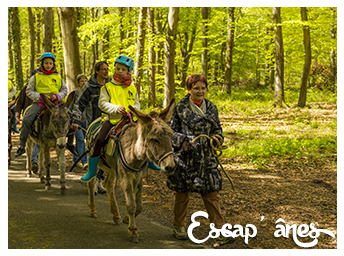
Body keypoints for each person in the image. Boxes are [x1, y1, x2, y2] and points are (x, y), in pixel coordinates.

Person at [167, 74, 235, 246]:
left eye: (203, 88)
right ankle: (179, 226)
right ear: (189, 89)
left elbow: (218, 128)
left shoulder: (212, 107)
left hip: (207, 159)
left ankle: (219, 231)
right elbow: (170, 131)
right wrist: (182, 141)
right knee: (182, 194)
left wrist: (217, 138)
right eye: (196, 88)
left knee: (212, 194)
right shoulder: (180, 108)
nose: (200, 91)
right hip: (186, 159)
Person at [79, 55, 161, 182]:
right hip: (112, 121)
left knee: (145, 135)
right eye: (118, 69)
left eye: (123, 69)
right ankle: (92, 170)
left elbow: (137, 103)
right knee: (99, 140)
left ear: (129, 71)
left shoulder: (132, 88)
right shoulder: (107, 87)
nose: (120, 71)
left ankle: (149, 161)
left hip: (130, 120)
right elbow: (102, 103)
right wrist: (116, 108)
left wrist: (133, 109)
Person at [69, 61, 111, 192]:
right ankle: (96, 178)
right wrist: (75, 120)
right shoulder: (88, 87)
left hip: (111, 121)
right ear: (97, 71)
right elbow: (79, 105)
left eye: (107, 69)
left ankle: (101, 178)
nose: (106, 72)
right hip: (95, 124)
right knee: (97, 149)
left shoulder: (111, 85)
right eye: (103, 69)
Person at [15, 52, 67, 157]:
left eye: (50, 63)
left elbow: (64, 90)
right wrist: (40, 97)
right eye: (46, 63)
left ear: (53, 64)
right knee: (27, 119)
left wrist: (57, 96)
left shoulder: (58, 77)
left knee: (69, 117)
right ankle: (22, 145)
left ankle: (69, 143)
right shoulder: (36, 77)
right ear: (42, 64)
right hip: (40, 103)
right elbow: (29, 91)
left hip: (56, 103)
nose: (48, 65)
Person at [15, 83, 40, 172]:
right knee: (29, 141)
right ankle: (29, 161)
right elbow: (20, 103)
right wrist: (17, 116)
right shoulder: (25, 88)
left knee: (39, 139)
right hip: (28, 115)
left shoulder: (44, 87)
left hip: (40, 115)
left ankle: (34, 162)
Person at [66, 74, 88, 169]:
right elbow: (69, 108)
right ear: (78, 83)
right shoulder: (74, 94)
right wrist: (73, 118)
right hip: (76, 121)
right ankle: (84, 162)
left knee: (83, 141)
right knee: (80, 140)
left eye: (85, 81)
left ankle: (75, 159)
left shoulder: (89, 94)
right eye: (82, 81)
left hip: (87, 121)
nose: (84, 83)